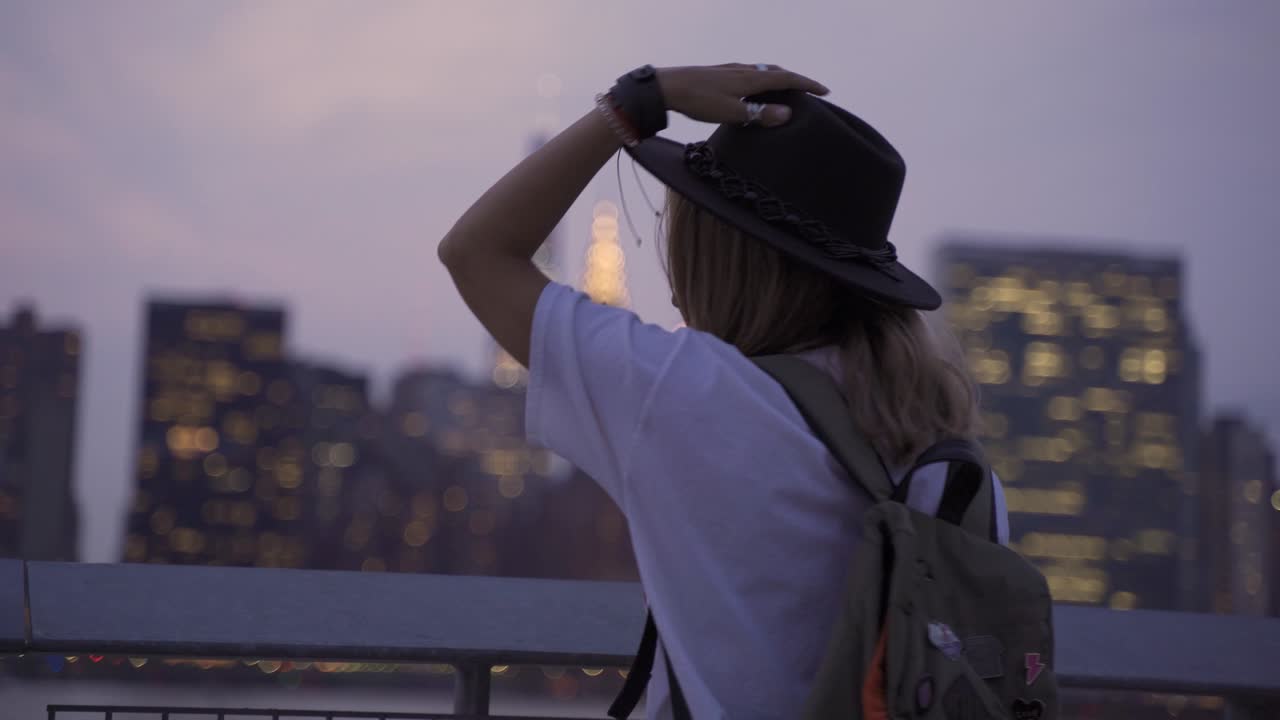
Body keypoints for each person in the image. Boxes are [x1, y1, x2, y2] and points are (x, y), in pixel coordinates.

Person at [439, 63, 1009, 720]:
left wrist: (636, 104)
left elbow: (475, 252)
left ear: (718, 253)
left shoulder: (684, 394)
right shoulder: (956, 461)